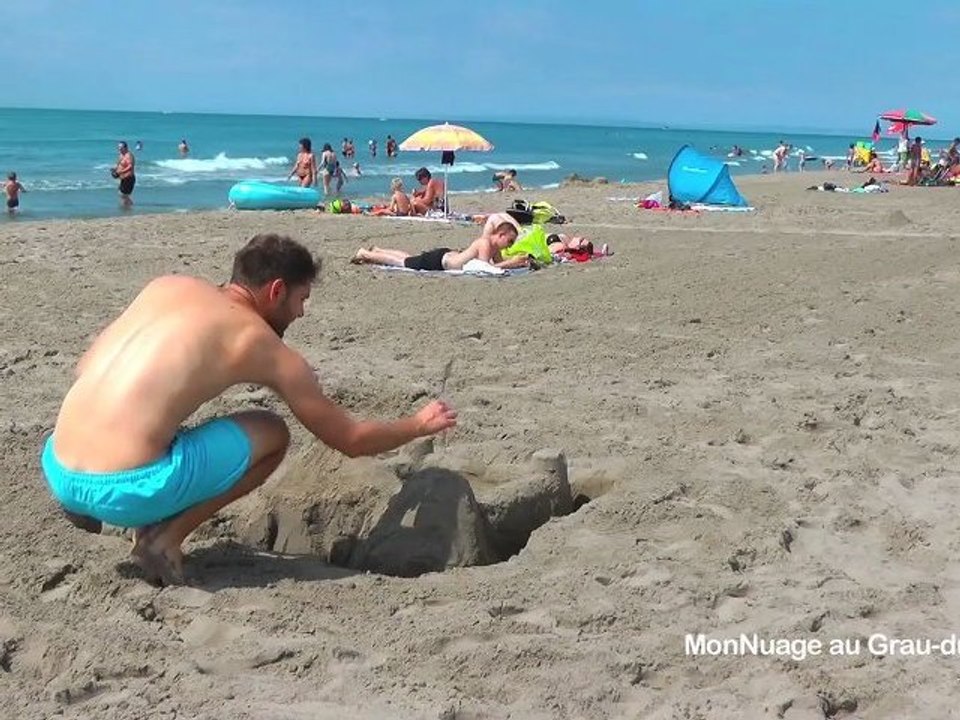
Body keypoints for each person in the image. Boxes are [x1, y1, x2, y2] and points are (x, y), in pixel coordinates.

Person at [40, 234, 457, 585]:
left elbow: (84, 366)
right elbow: (349, 439)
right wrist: (419, 424)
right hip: (127, 487)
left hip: (58, 465)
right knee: (273, 434)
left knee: (140, 413)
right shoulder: (260, 341)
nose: (301, 312)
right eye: (301, 299)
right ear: (276, 290)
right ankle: (164, 538)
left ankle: (83, 503)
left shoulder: (165, 286)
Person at [350, 212, 525, 270]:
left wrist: (518, 263)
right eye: (509, 241)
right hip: (440, 261)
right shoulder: (486, 243)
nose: (509, 245)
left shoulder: (495, 247)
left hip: (447, 257)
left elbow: (501, 264)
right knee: (402, 262)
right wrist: (513, 262)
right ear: (501, 234)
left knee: (409, 258)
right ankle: (365, 253)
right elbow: (484, 268)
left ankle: (378, 249)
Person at [113, 141, 136, 208]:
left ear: (125, 148)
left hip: (129, 178)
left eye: (121, 147)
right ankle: (126, 207)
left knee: (122, 194)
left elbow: (130, 166)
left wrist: (120, 172)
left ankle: (129, 205)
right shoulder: (121, 155)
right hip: (123, 177)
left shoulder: (128, 156)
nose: (119, 149)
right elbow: (119, 164)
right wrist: (115, 169)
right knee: (122, 193)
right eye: (118, 147)